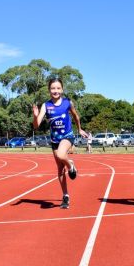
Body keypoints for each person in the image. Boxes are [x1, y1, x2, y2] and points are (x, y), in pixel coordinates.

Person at [33, 77, 88, 209]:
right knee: (59, 169)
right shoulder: (46, 105)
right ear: (49, 90)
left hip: (67, 136)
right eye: (53, 88)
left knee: (61, 155)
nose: (55, 91)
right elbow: (36, 125)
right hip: (54, 140)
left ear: (62, 89)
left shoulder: (68, 103)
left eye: (58, 88)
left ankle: (71, 166)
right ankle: (65, 195)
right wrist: (35, 116)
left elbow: (76, 116)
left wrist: (79, 129)